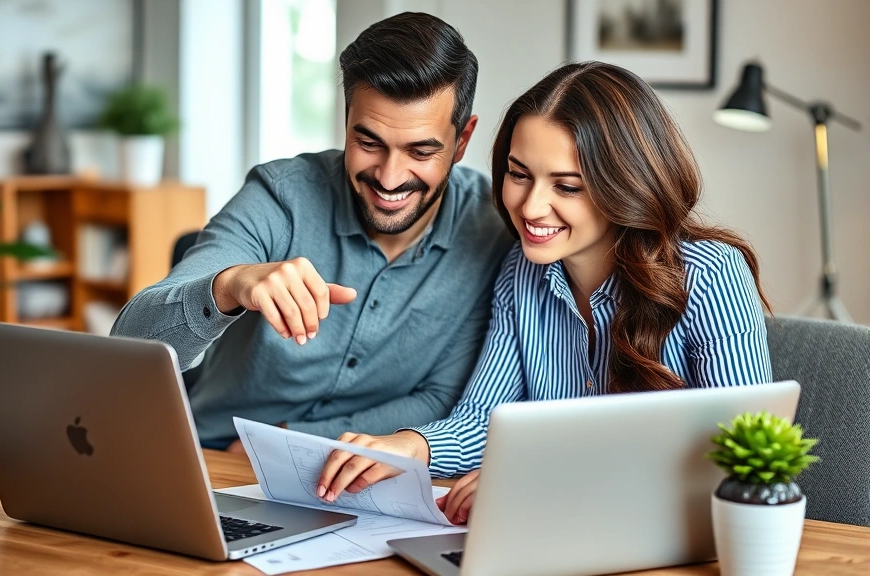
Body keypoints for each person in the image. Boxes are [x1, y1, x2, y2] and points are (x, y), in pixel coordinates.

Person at [317, 61, 774, 524]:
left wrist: (545, 476)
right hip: (555, 533)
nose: (531, 207)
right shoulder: (522, 271)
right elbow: (484, 418)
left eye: (567, 186)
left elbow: (747, 454)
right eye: (519, 175)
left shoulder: (710, 274)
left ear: (625, 185)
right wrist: (411, 446)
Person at [111, 12, 511, 450]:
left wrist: (291, 441)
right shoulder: (281, 197)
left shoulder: (491, 230)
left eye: (421, 151)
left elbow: (444, 397)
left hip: (353, 468)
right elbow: (130, 349)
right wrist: (229, 286)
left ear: (463, 140)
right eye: (369, 142)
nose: (391, 177)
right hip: (213, 460)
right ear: (346, 120)